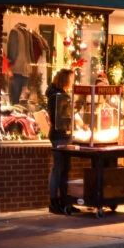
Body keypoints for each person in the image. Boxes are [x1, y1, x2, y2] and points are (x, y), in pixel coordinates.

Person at [45, 68, 79, 215]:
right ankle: (54, 201)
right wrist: (71, 117)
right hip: (59, 135)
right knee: (58, 168)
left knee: (66, 167)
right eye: (71, 79)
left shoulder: (61, 95)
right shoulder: (57, 96)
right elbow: (58, 117)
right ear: (65, 80)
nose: (73, 82)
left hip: (64, 135)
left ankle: (65, 200)